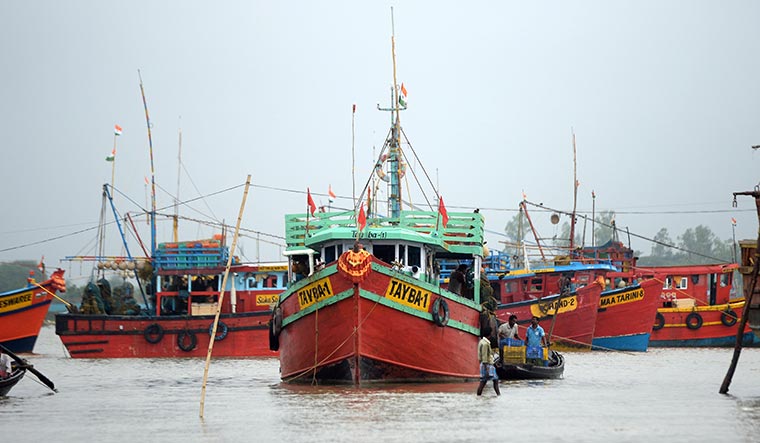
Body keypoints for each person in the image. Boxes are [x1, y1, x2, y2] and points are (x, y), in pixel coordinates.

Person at [476, 327, 500, 396]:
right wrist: (486, 369)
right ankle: (498, 395)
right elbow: (485, 356)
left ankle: (478, 396)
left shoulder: (481, 342)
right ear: (489, 334)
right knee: (490, 381)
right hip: (487, 365)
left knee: (485, 382)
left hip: (485, 364)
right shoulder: (485, 344)